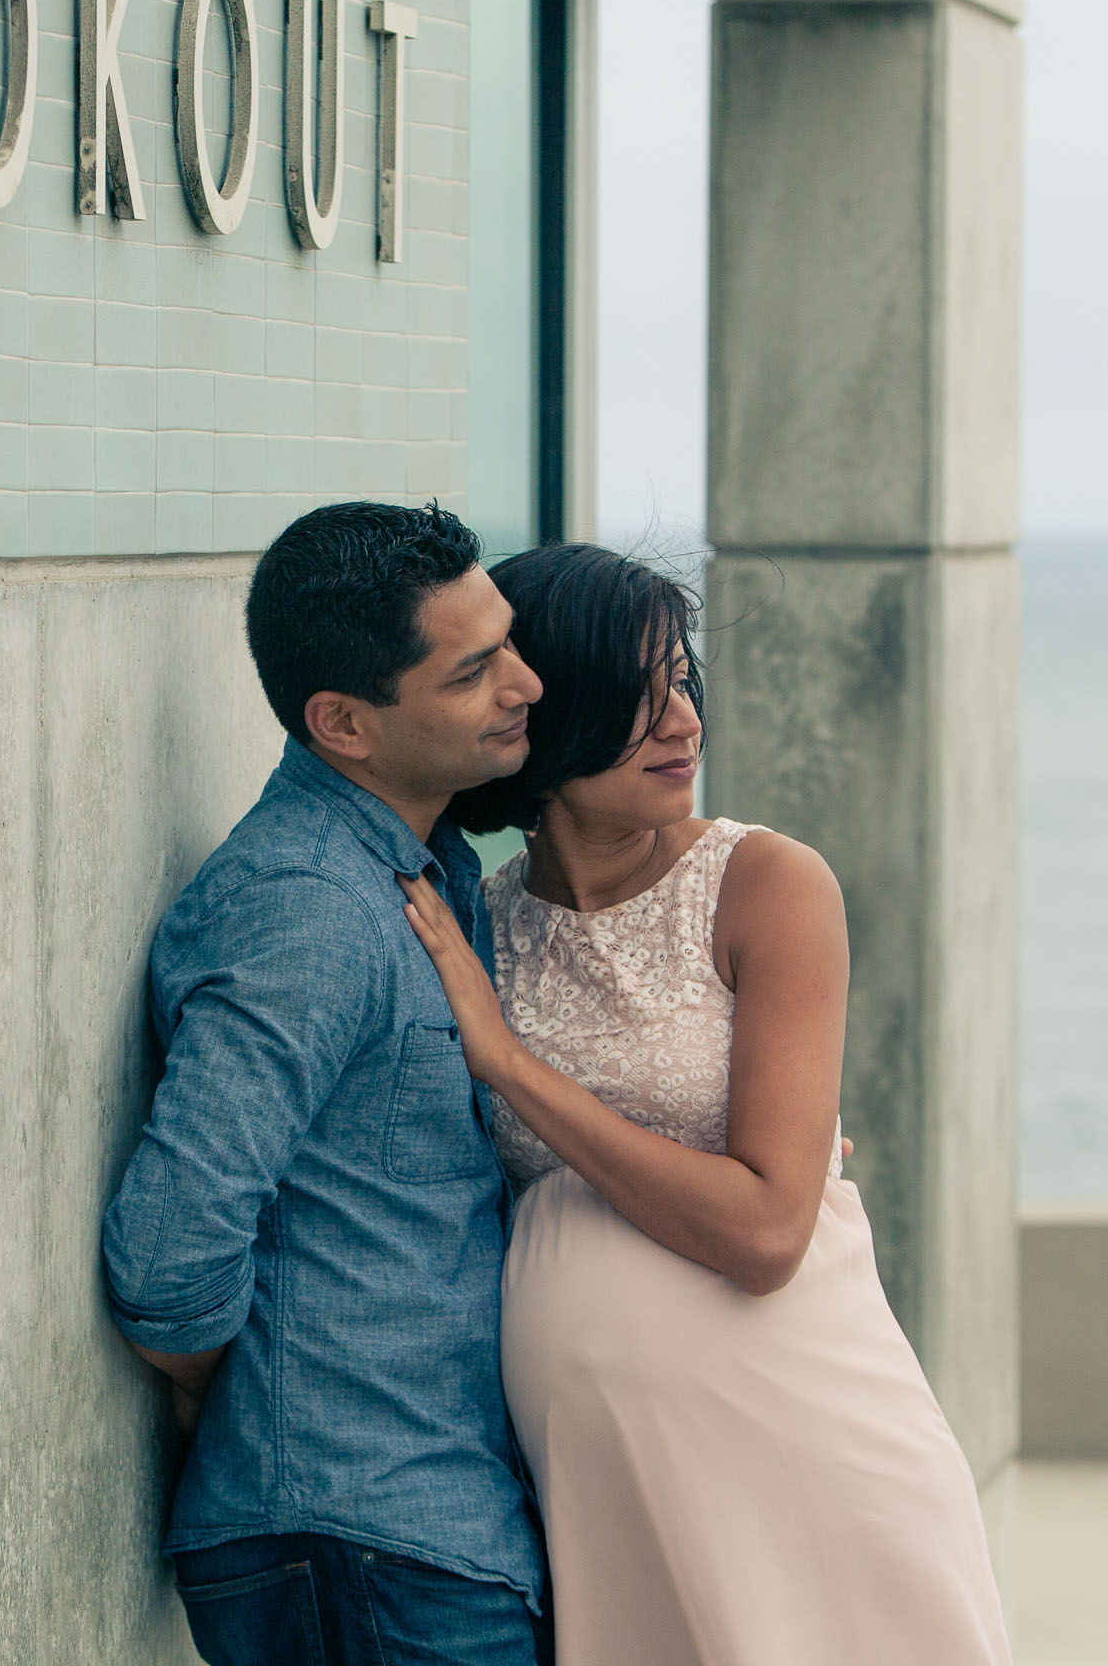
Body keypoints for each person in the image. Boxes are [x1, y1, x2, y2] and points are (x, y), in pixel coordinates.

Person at [394, 541, 1010, 1664]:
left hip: (812, 1456)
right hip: (612, 1495)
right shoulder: (475, 924)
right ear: (546, 712)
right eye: (638, 695)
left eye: (682, 678)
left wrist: (513, 1065)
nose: (682, 720)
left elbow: (770, 1232)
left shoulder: (765, 884)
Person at [100, 501, 550, 1666]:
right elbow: (166, 1254)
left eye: (505, 641)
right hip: (361, 1542)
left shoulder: (426, 866)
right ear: (344, 722)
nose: (526, 684)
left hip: (430, 1532)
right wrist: (250, 1405)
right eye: (474, 671)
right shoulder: (306, 905)